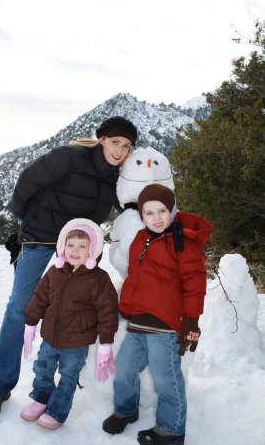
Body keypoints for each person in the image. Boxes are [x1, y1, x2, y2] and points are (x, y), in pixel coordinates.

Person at [0, 115, 137, 420]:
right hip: (41, 238)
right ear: (101, 139)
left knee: (79, 309)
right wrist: (26, 220)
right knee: (20, 308)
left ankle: (70, 377)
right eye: (115, 142)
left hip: (81, 251)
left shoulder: (118, 178)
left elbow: (129, 204)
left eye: (126, 146)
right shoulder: (71, 157)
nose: (120, 150)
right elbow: (27, 181)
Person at [102, 184, 213, 445]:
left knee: (166, 379)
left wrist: (192, 321)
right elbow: (136, 278)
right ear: (141, 216)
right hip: (138, 323)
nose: (156, 217)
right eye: (149, 212)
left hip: (166, 328)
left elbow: (195, 283)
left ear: (172, 211)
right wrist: (123, 308)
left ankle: (172, 430)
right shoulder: (141, 238)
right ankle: (126, 410)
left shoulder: (182, 241)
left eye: (162, 210)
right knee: (125, 370)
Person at [20, 218, 118, 430]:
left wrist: (105, 345)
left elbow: (107, 312)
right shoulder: (55, 271)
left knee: (68, 375)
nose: (75, 250)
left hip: (77, 341)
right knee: (42, 368)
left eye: (82, 246)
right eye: (70, 245)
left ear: (92, 250)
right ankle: (41, 398)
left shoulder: (99, 279)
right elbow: (39, 299)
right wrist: (30, 326)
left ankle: (57, 410)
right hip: (50, 337)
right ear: (62, 247)